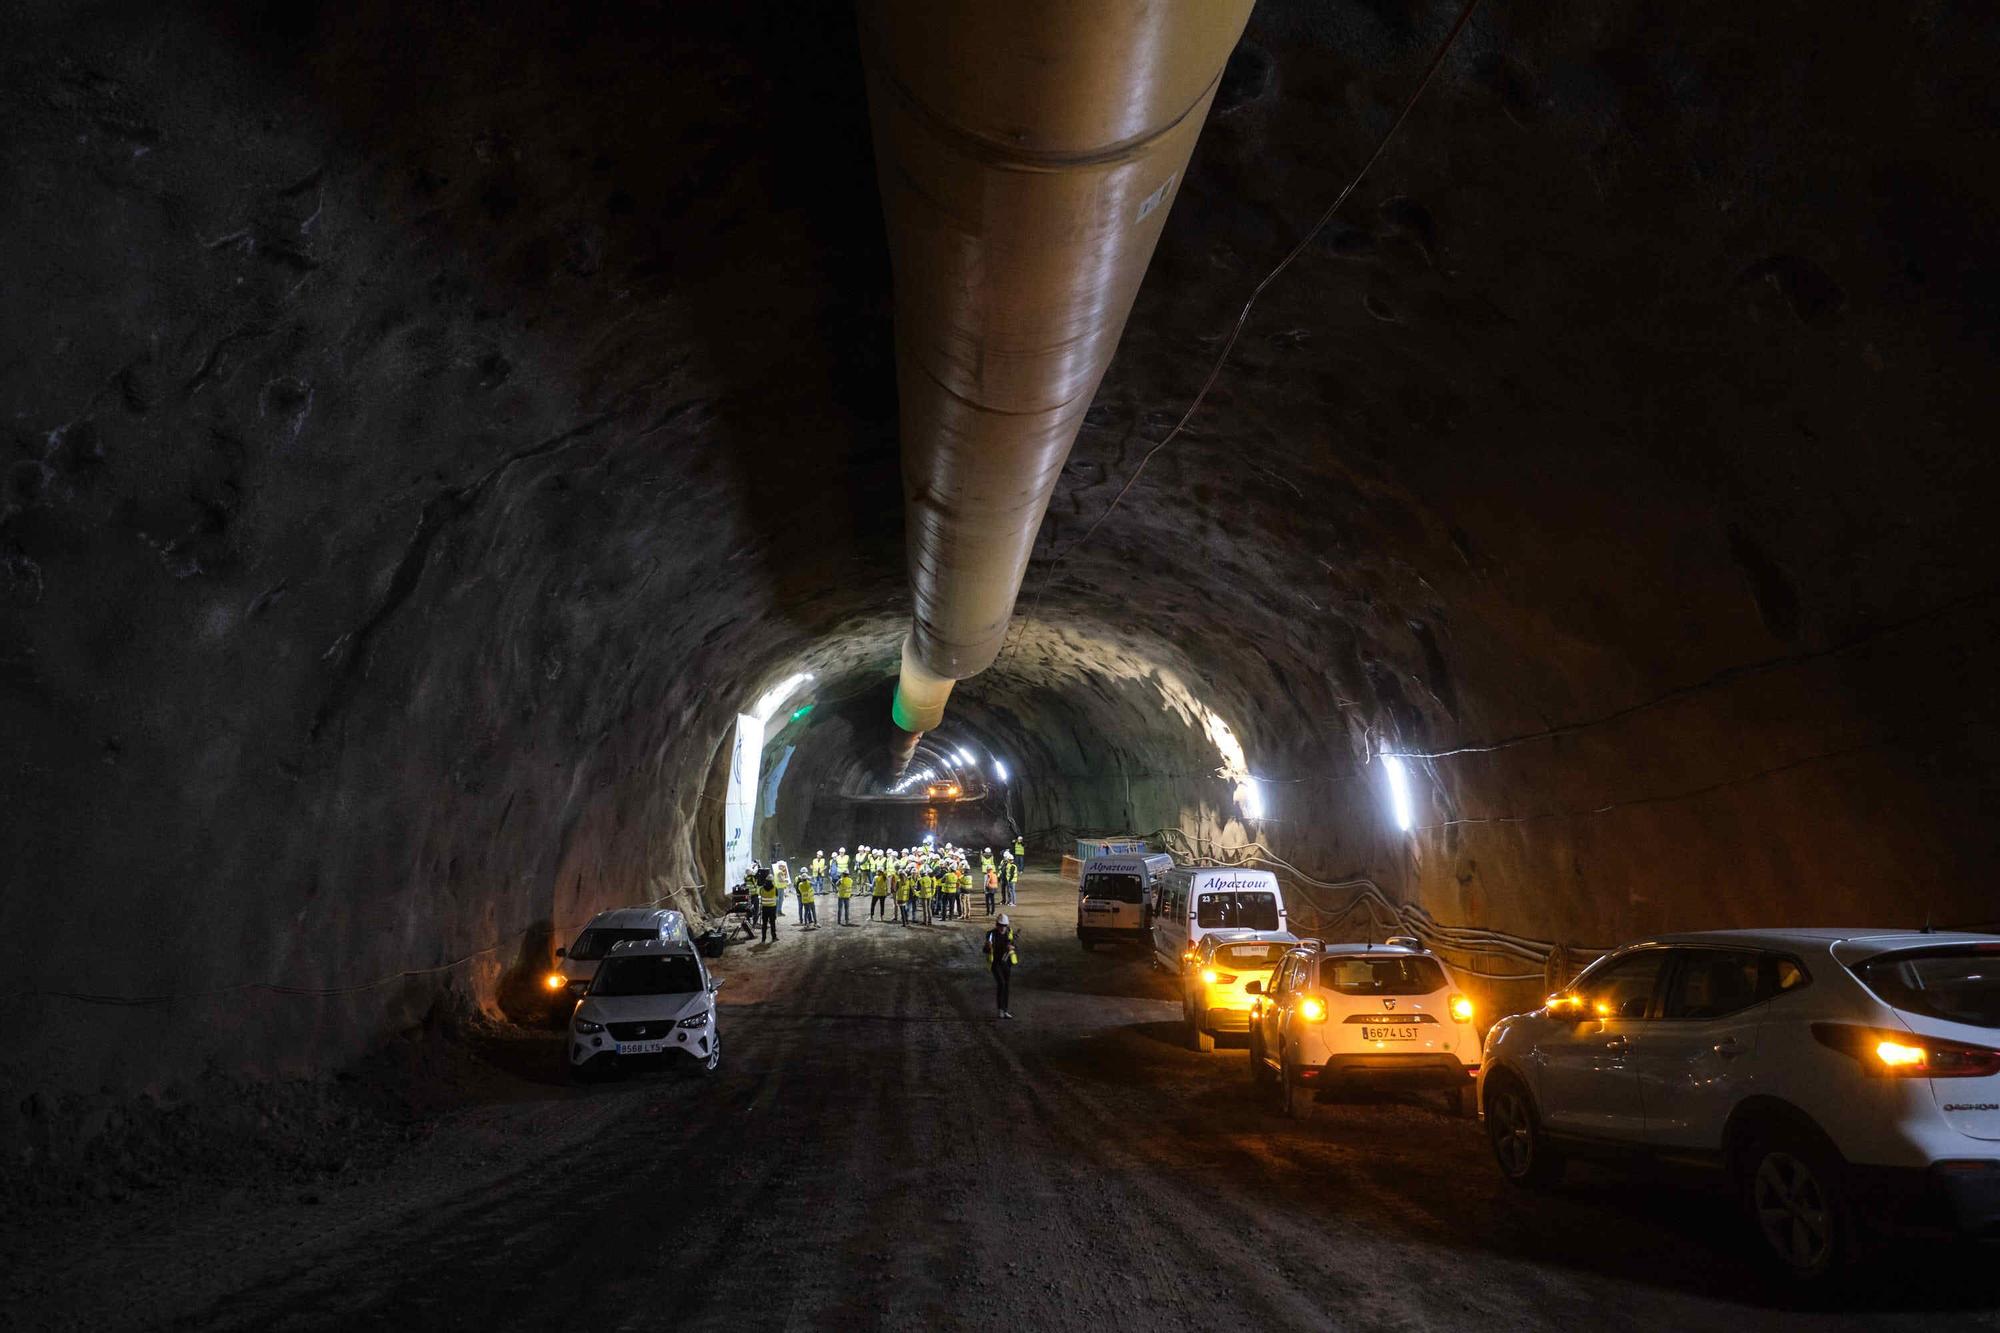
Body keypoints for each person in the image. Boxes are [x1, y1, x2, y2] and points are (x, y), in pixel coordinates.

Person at [984, 914, 1018, 1018]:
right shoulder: (991, 934)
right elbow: (985, 950)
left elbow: (1015, 946)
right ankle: (1000, 1010)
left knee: (1006, 986)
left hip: (1006, 963)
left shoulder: (1009, 933)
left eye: (1004, 925)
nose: (1002, 927)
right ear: (997, 925)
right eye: (1000, 925)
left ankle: (1005, 1010)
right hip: (996, 964)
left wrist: (1012, 947)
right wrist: (988, 947)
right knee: (1001, 984)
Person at [757, 871, 780, 943]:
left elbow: (760, 895)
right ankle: (774, 937)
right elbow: (777, 898)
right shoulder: (775, 888)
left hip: (764, 908)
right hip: (772, 908)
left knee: (764, 924)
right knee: (772, 923)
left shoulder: (762, 889)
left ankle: (763, 939)